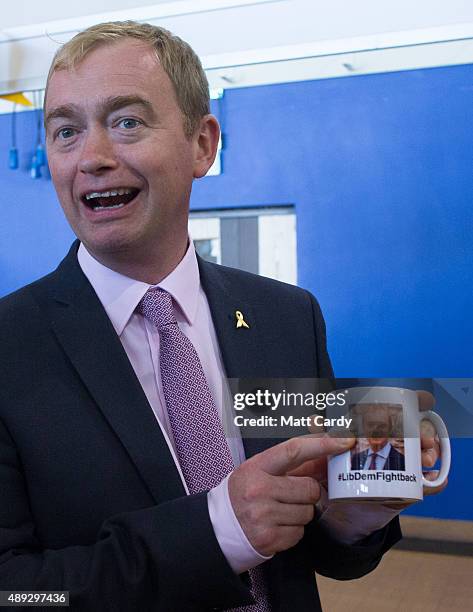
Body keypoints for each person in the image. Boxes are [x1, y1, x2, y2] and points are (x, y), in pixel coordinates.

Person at [0, 21, 445, 611]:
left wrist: (351, 513)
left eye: (127, 121)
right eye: (65, 131)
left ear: (202, 145)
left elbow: (313, 546)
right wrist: (218, 533)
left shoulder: (287, 317)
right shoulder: (10, 347)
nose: (93, 157)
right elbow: (20, 593)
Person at [351, 405, 406, 471]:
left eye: (382, 425)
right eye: (370, 425)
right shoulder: (356, 459)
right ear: (363, 428)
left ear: (390, 428)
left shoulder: (403, 461)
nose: (376, 430)